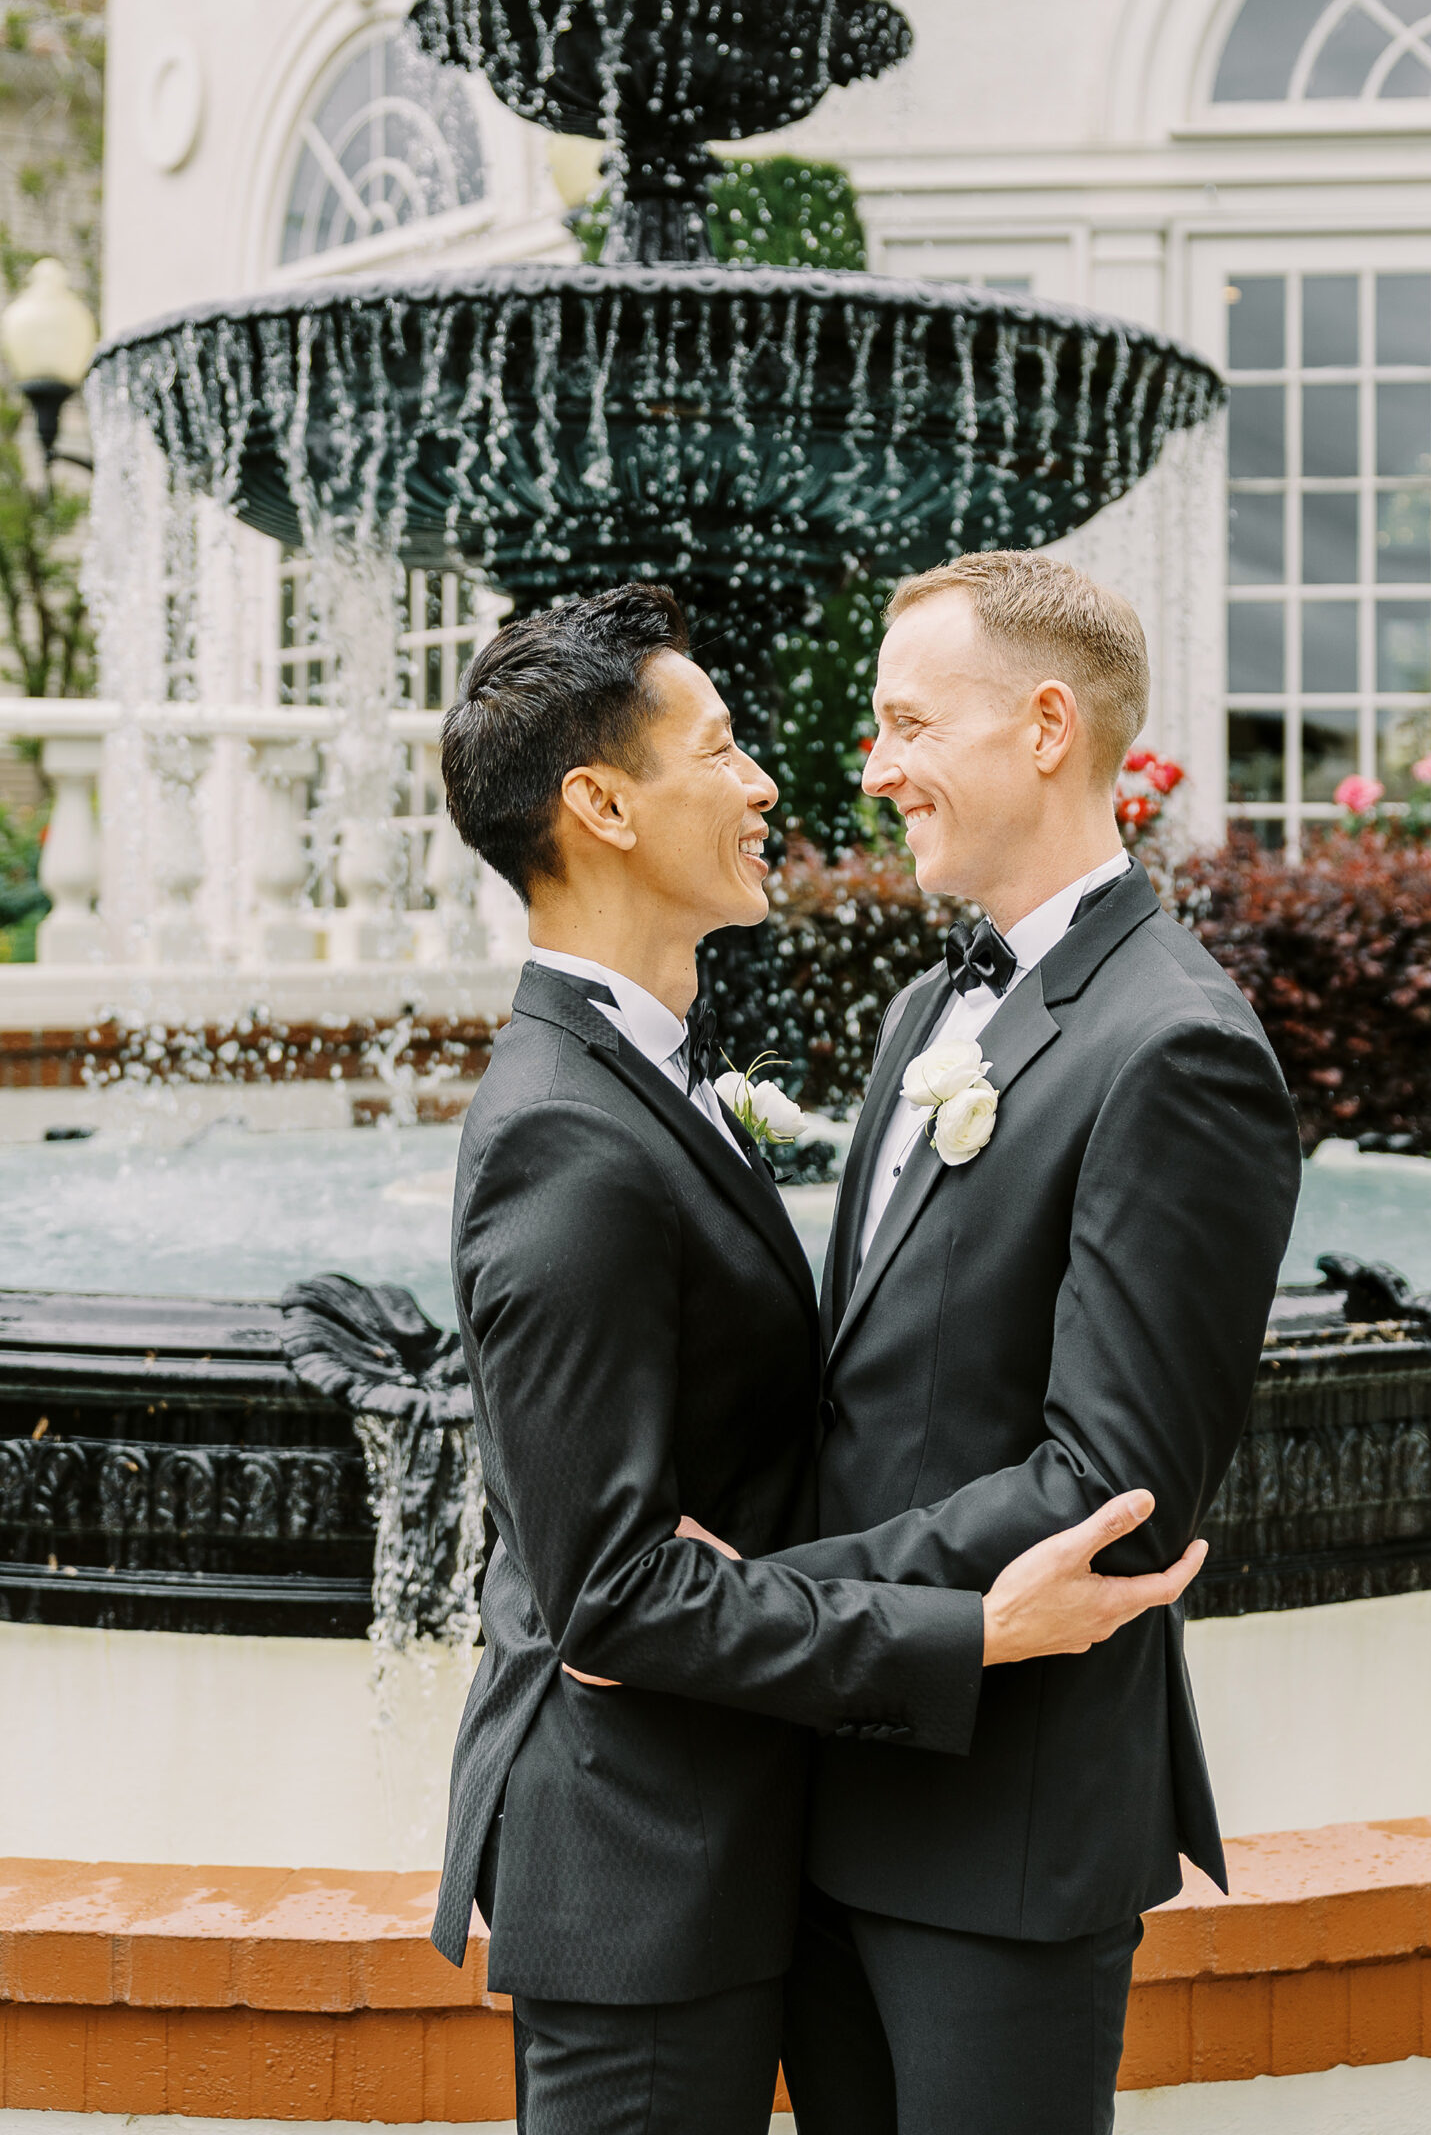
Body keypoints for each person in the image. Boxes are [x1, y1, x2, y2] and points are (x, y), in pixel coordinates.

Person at [427, 583, 1209, 2135]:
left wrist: (740, 1588)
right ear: (600, 807)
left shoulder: (667, 1076)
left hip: (767, 1831)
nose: (783, 778)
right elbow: (611, 1593)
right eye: (718, 748)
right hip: (642, 1863)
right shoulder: (567, 1137)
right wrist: (955, 1630)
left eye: (907, 723)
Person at [768, 552, 1303, 2135]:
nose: (876, 771)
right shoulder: (925, 1015)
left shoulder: (1178, 1047)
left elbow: (1116, 1480)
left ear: (1049, 725)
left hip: (1003, 1832)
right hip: (833, 1790)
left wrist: (774, 1603)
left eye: (909, 724)